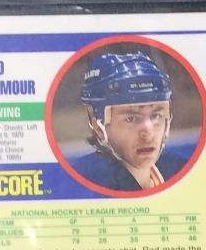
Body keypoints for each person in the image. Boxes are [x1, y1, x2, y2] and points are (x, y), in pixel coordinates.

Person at [70, 49, 195, 192]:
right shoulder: (82, 181)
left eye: (155, 116)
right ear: (99, 127)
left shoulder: (179, 170)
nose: (148, 132)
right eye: (131, 118)